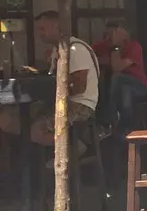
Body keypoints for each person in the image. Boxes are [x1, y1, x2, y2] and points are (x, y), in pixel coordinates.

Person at [0, 11, 98, 146]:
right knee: (6, 119)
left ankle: (73, 149)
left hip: (79, 104)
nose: (40, 33)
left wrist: (52, 94)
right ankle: (30, 156)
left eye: (43, 29)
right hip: (58, 102)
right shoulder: (56, 50)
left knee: (37, 129)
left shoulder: (75, 49)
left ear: (57, 27)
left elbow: (80, 87)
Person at [93, 21, 147, 137]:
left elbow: (117, 68)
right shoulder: (104, 44)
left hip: (138, 85)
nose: (108, 38)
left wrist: (115, 47)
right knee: (124, 91)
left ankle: (109, 119)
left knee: (118, 78)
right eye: (106, 35)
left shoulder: (134, 47)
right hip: (121, 88)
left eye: (113, 34)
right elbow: (88, 54)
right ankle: (125, 130)